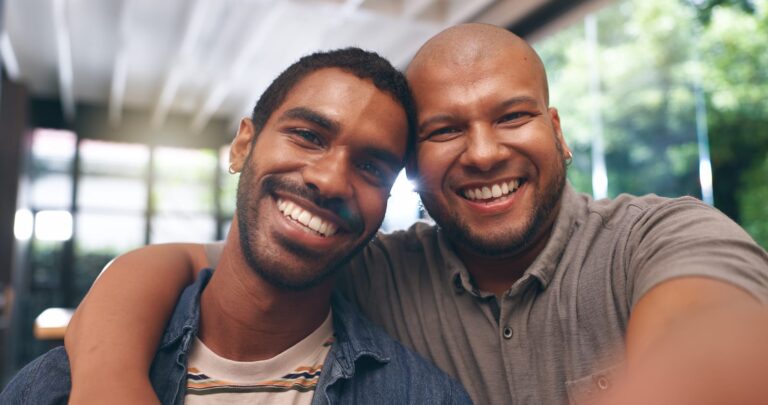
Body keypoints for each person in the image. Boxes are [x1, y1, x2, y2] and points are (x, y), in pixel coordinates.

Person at [64, 24, 768, 404]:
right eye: (444, 130)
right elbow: (188, 265)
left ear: (558, 130)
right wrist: (107, 382)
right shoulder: (380, 267)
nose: (484, 153)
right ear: (412, 171)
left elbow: (718, 339)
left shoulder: (658, 236)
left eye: (513, 116)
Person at [0, 48, 471, 405]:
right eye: (308, 136)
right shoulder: (58, 387)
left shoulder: (423, 395)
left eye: (372, 167)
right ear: (243, 145)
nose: (329, 181)